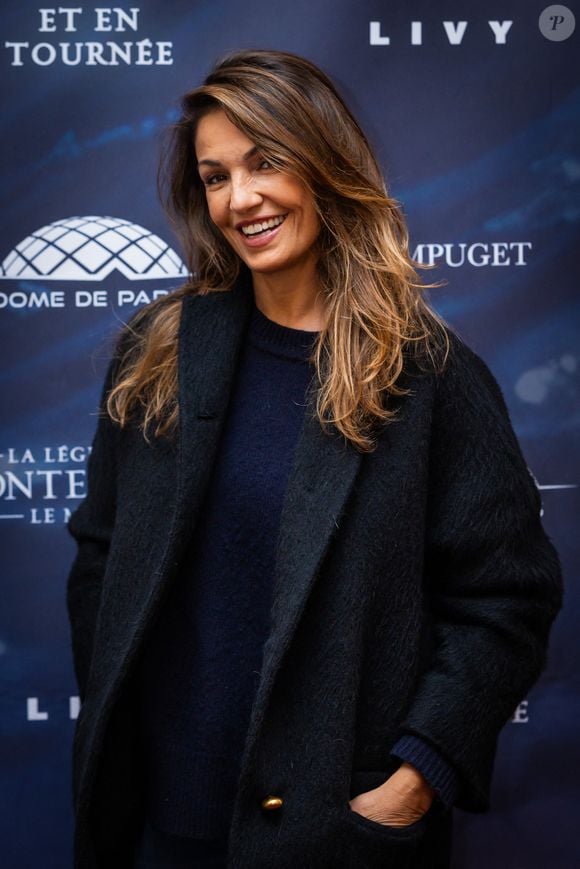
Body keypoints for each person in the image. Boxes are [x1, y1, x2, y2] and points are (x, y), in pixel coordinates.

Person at [66, 49, 563, 869]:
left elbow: (507, 600)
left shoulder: (428, 376)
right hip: (160, 824)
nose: (241, 198)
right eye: (216, 176)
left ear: (325, 162)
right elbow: (102, 554)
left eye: (266, 161)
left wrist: (415, 779)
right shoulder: (158, 351)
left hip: (335, 834)